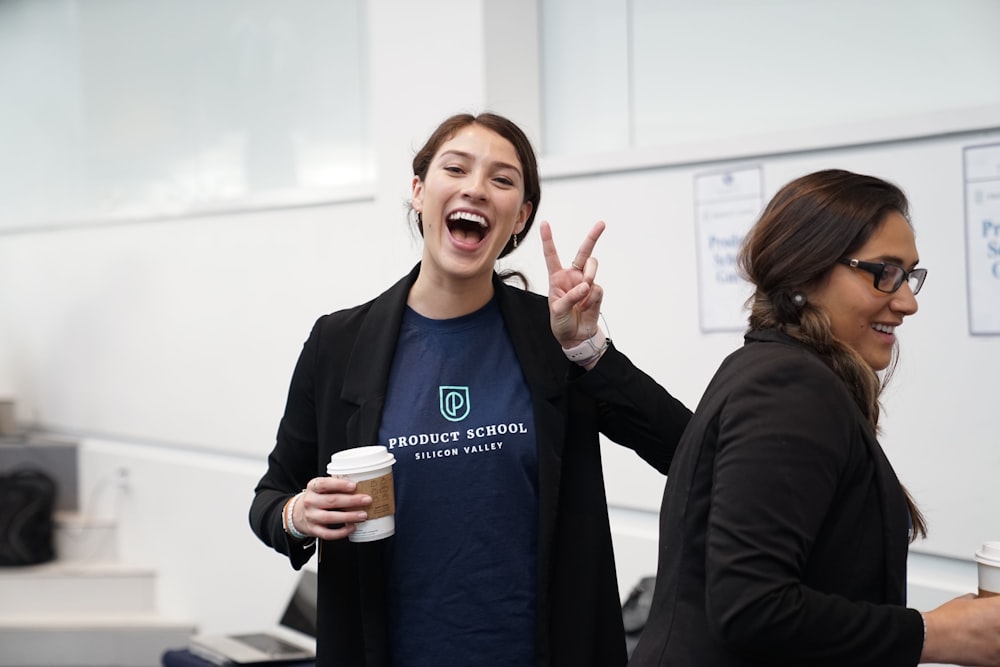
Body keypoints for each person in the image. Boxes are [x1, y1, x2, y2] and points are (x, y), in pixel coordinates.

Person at [249, 112, 692, 667]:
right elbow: (270, 499)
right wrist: (298, 513)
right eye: (455, 168)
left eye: (502, 180)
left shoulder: (551, 337)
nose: (477, 189)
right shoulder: (340, 342)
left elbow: (687, 450)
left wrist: (586, 349)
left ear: (520, 216)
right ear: (418, 191)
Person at [629, 169, 1000, 667]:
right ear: (806, 271)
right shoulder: (788, 388)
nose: (908, 301)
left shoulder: (773, 368)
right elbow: (752, 608)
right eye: (884, 272)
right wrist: (933, 633)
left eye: (909, 274)